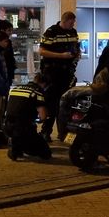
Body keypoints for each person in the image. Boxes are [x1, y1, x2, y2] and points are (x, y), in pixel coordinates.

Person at [38, 11, 80, 141]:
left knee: (66, 104)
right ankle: (46, 131)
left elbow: (76, 47)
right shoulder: (51, 32)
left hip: (67, 73)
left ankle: (64, 133)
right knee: (52, 103)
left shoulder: (73, 32)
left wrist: (77, 54)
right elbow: (42, 51)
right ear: (65, 20)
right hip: (52, 73)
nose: (72, 25)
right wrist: (61, 56)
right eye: (71, 22)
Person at [4, 73, 51, 161]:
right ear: (44, 84)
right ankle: (24, 146)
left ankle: (16, 147)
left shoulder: (15, 89)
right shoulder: (37, 92)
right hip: (23, 129)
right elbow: (43, 116)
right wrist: (39, 119)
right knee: (46, 154)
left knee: (20, 132)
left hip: (7, 126)